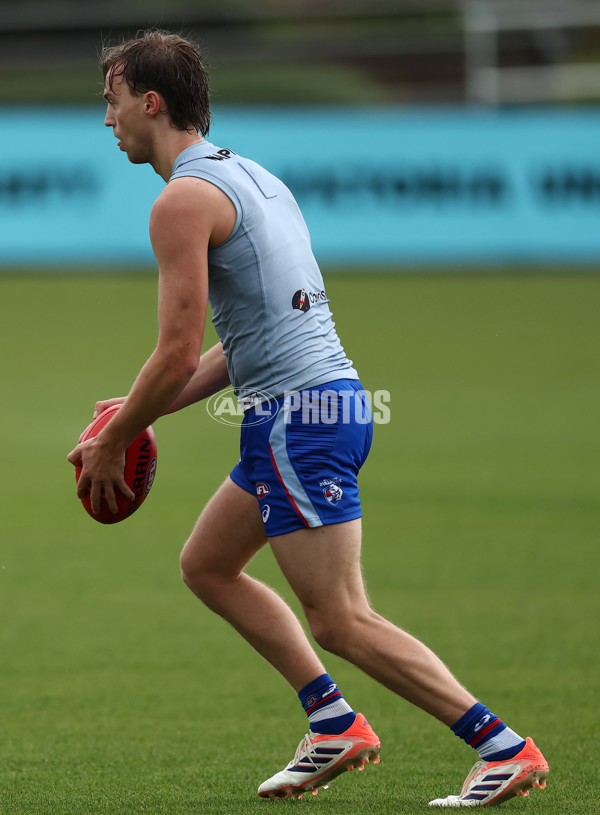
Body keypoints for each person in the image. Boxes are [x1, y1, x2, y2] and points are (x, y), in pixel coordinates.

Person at [67, 29, 549, 806]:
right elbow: (237, 347)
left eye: (112, 100)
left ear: (150, 102)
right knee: (208, 565)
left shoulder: (181, 201)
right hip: (312, 407)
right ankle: (333, 724)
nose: (107, 118)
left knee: (340, 618)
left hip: (301, 418)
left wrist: (114, 439)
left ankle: (501, 745)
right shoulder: (255, 178)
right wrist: (134, 408)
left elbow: (176, 350)